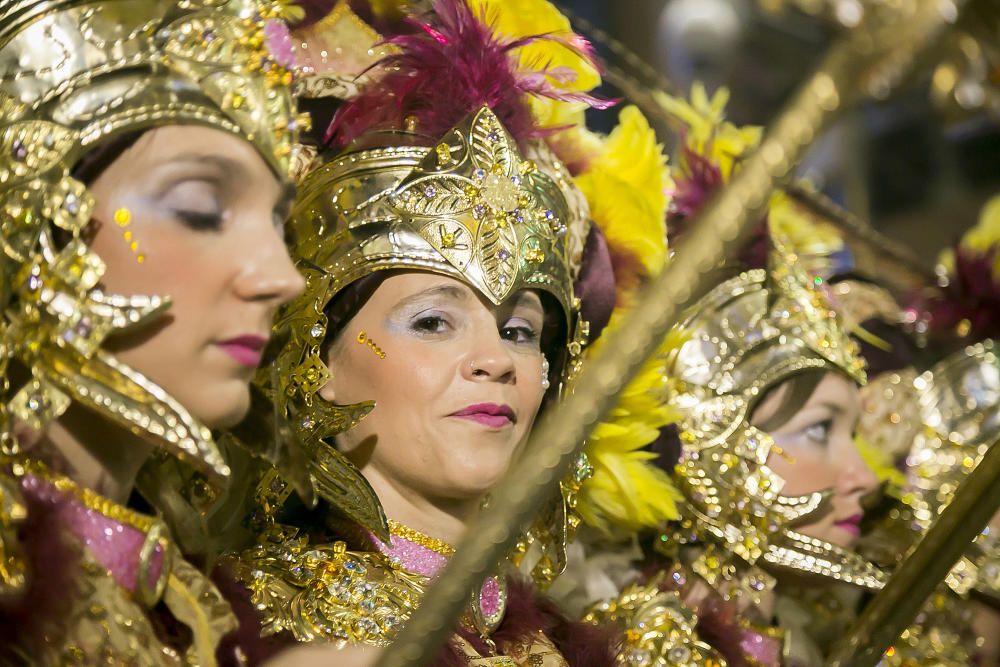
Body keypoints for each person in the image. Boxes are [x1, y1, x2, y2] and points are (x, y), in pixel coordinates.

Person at [223, 0, 645, 664]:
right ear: (316, 356)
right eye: (433, 321)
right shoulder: (262, 631)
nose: (495, 361)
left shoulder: (562, 643)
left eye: (520, 330)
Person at [0, 0, 307, 662]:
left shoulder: (191, 602)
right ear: (33, 228)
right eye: (201, 208)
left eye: (280, 225)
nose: (283, 277)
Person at [579, 86, 886, 666]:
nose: (865, 476)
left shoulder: (778, 637)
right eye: (820, 429)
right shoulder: (650, 649)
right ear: (705, 445)